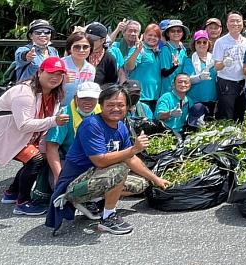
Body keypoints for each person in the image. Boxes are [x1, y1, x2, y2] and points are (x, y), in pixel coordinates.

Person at [46, 84, 170, 235]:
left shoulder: (121, 126)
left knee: (141, 184)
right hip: (73, 185)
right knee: (120, 169)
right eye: (110, 105)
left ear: (128, 107)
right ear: (101, 105)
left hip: (95, 176)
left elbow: (131, 158)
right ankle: (108, 217)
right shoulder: (91, 125)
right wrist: (133, 149)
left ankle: (94, 201)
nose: (116, 109)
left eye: (120, 105)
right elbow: (100, 161)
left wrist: (156, 179)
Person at [0, 57, 70, 215]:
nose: (55, 77)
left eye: (59, 74)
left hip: (18, 136)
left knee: (38, 158)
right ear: (40, 72)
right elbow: (24, 125)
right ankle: (22, 203)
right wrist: (54, 121)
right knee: (35, 159)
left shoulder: (54, 94)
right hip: (2, 135)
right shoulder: (24, 92)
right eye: (51, 73)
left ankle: (12, 192)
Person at [46, 81, 101, 185]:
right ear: (76, 98)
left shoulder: (101, 112)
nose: (88, 102)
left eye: (92, 99)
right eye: (83, 98)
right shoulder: (64, 114)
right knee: (69, 188)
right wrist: (59, 176)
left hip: (94, 160)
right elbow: (51, 147)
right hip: (68, 160)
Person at [124, 23, 174, 113]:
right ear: (144, 35)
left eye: (156, 36)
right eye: (150, 35)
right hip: (140, 97)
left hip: (156, 97)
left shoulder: (159, 51)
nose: (152, 38)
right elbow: (129, 67)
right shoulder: (139, 49)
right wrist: (137, 51)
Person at [212, 12, 246, 121]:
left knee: (239, 116)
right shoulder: (221, 42)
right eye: (232, 21)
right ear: (227, 24)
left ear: (242, 23)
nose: (235, 24)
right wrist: (224, 63)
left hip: (242, 82)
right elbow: (216, 67)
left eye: (238, 21)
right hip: (226, 83)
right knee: (226, 116)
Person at [186, 30, 218, 121]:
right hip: (195, 100)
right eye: (199, 42)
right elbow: (187, 80)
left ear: (208, 44)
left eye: (204, 42)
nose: (202, 44)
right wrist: (199, 77)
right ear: (194, 44)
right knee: (196, 125)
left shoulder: (214, 60)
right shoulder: (189, 60)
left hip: (212, 99)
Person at [61, 32, 97, 109]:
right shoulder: (60, 64)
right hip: (57, 108)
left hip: (79, 110)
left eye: (85, 47)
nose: (81, 50)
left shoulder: (91, 69)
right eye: (77, 47)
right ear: (69, 48)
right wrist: (61, 80)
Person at [160, 19, 189, 93]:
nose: (176, 33)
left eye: (179, 31)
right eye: (173, 31)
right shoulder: (165, 49)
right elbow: (164, 73)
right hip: (168, 90)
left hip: (181, 89)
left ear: (182, 33)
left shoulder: (183, 49)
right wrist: (174, 66)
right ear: (168, 33)